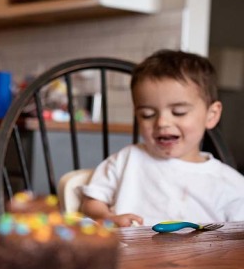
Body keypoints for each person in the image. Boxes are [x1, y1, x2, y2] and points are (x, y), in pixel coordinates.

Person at [80, 49, 244, 227]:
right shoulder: (127, 159)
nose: (162, 122)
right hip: (129, 252)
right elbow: (91, 202)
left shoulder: (231, 184)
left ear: (211, 115)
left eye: (178, 112)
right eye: (147, 114)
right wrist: (109, 217)